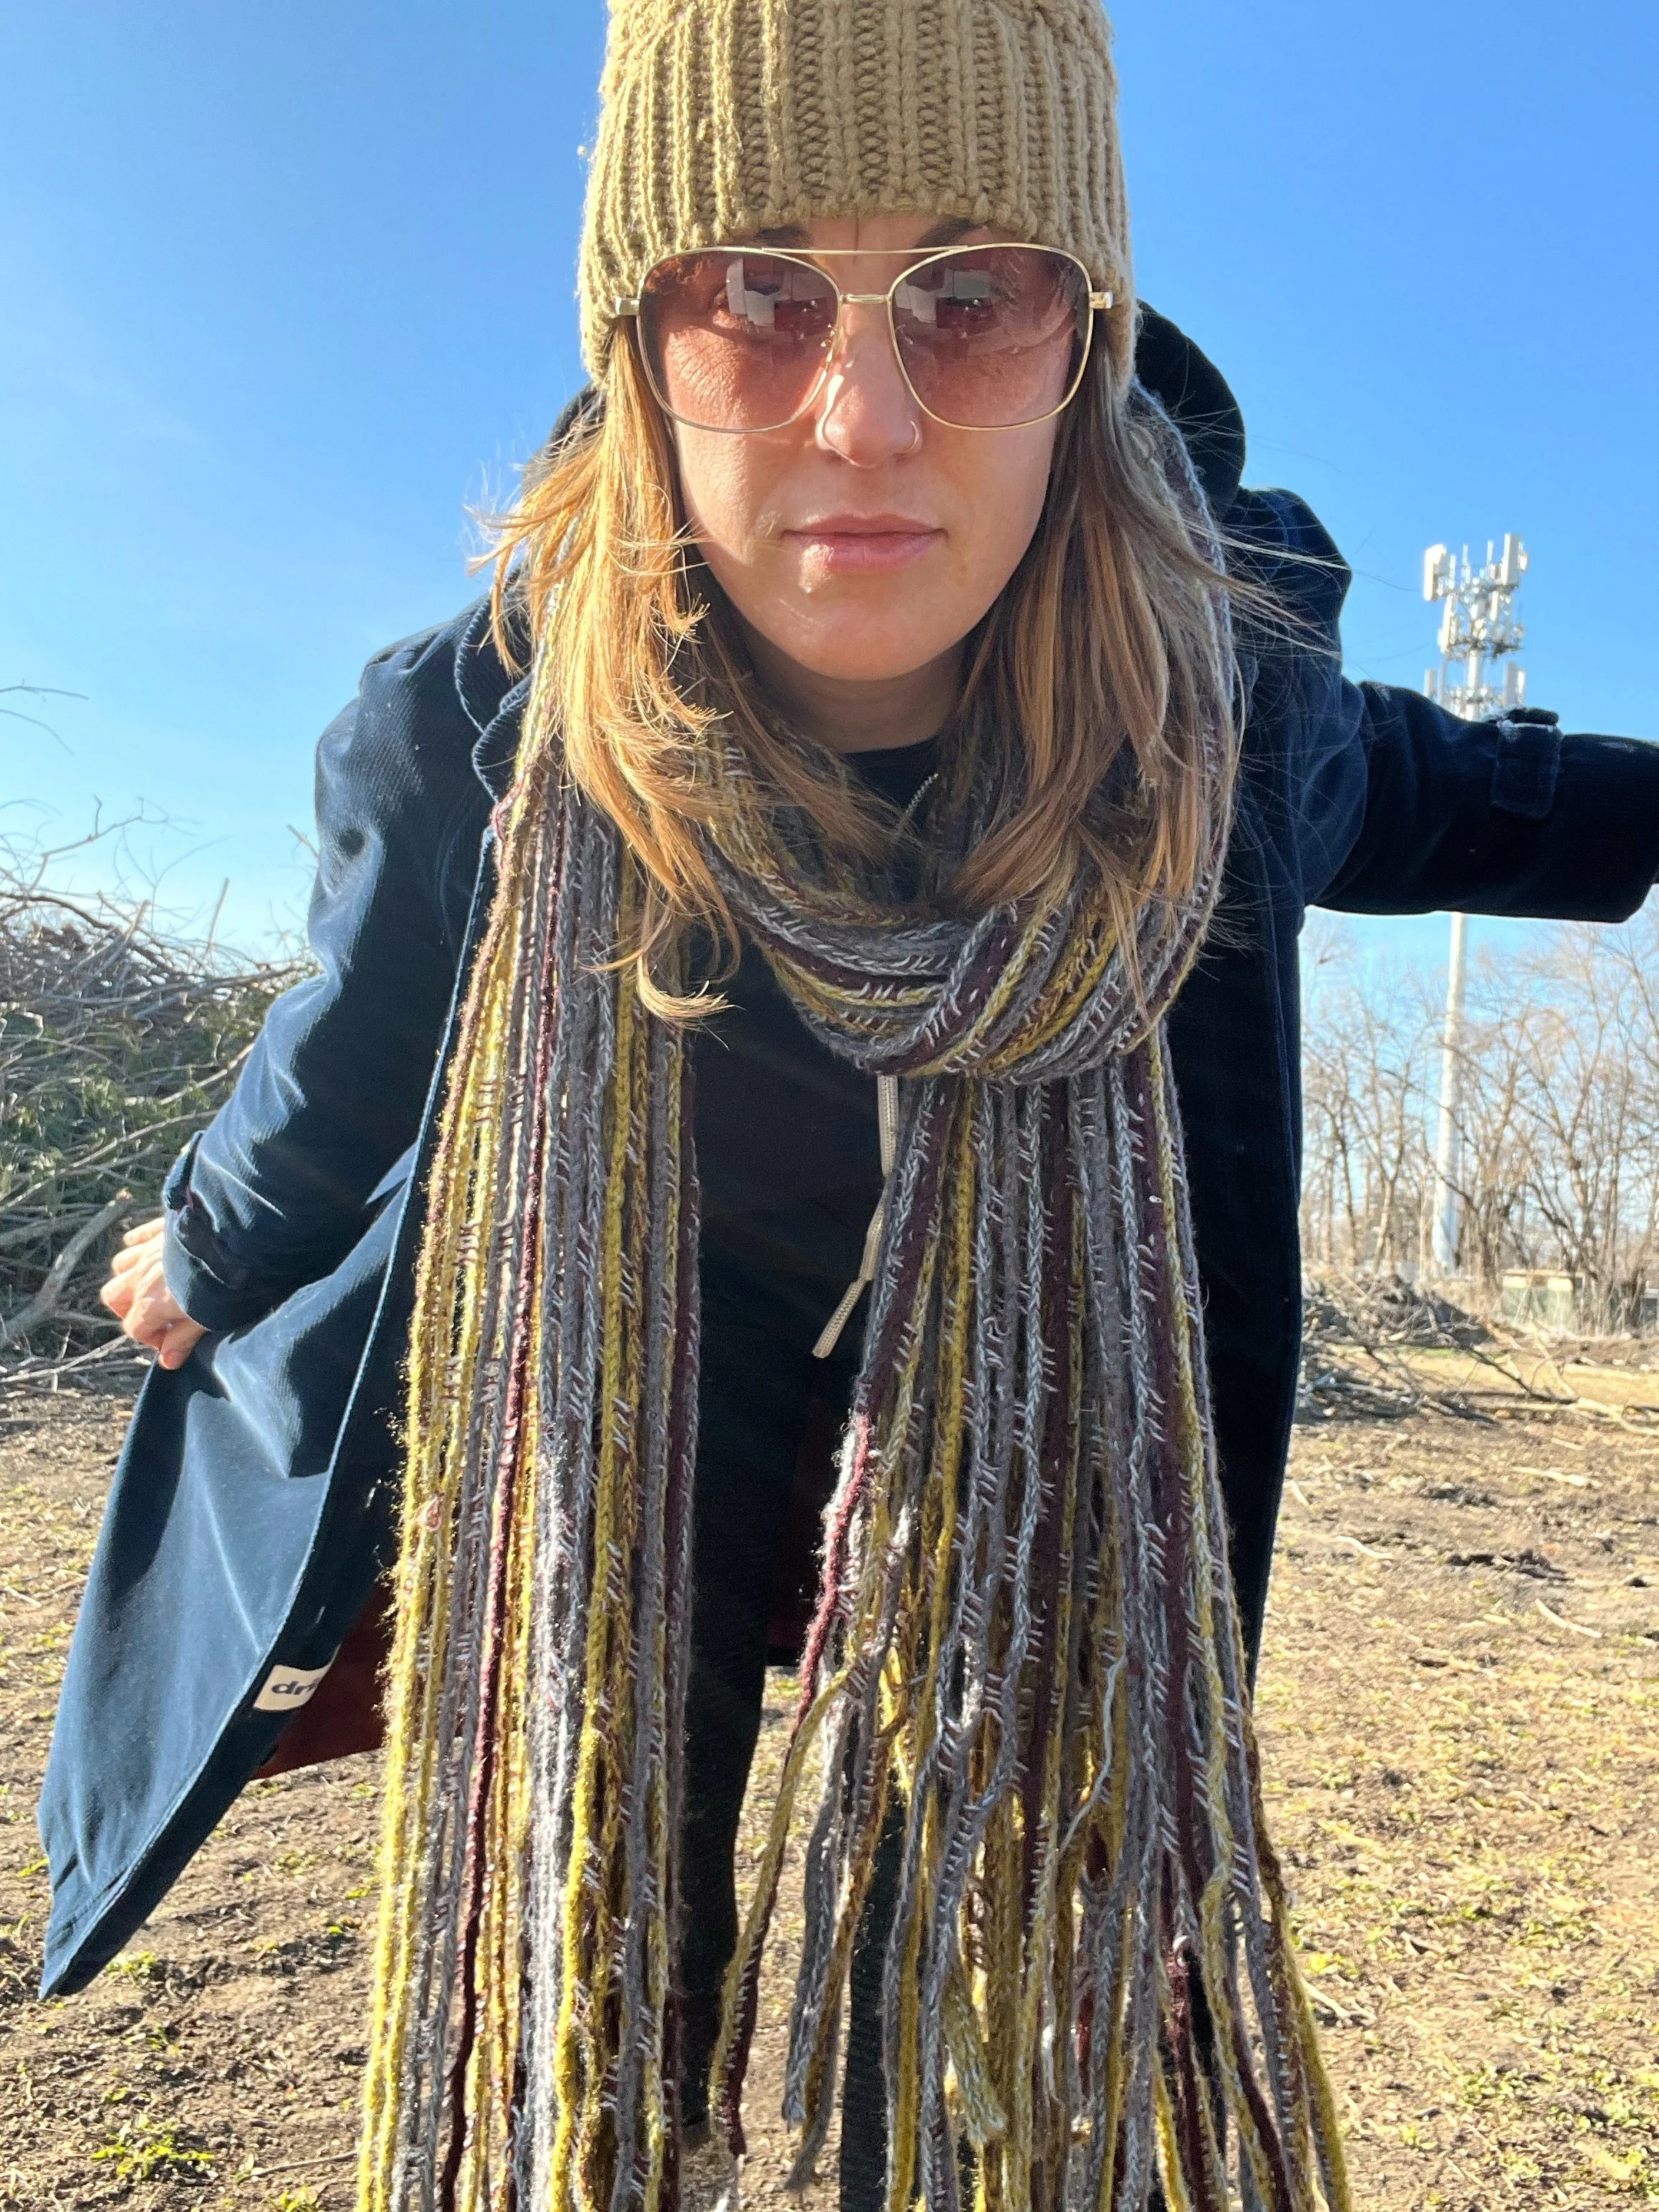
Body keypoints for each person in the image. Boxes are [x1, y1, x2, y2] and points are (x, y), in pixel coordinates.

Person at [44, 2, 1658, 2206]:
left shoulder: (1229, 721)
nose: (864, 415)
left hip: (1043, 1437)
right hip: (648, 1390)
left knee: (1016, 1920)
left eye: (970, 297)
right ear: (639, 342)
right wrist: (211, 1245)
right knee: (624, 1854)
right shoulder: (486, 728)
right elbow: (348, 1051)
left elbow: (1495, 795)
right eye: (754, 293)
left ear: (1085, 345)